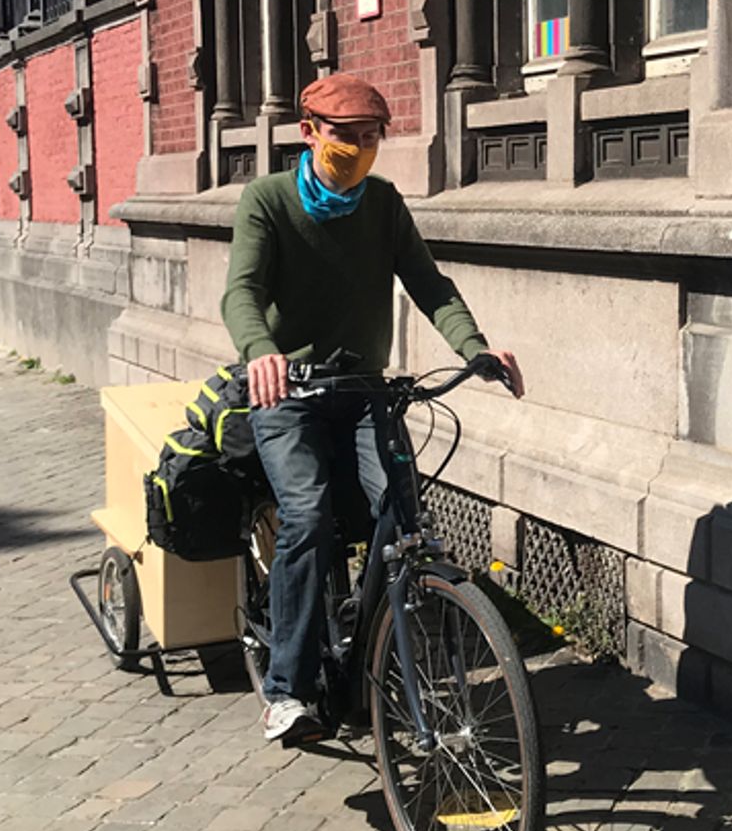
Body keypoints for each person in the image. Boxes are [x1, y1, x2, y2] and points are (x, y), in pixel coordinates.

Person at [221, 74, 524, 744]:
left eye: (371, 137)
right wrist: (261, 350)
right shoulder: (268, 200)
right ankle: (287, 690)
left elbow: (428, 283)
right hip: (289, 392)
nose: (358, 149)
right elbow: (241, 291)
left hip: (362, 389)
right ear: (308, 132)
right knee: (307, 516)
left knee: (403, 515)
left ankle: (389, 656)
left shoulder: (382, 203)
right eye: (345, 137)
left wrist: (474, 347)